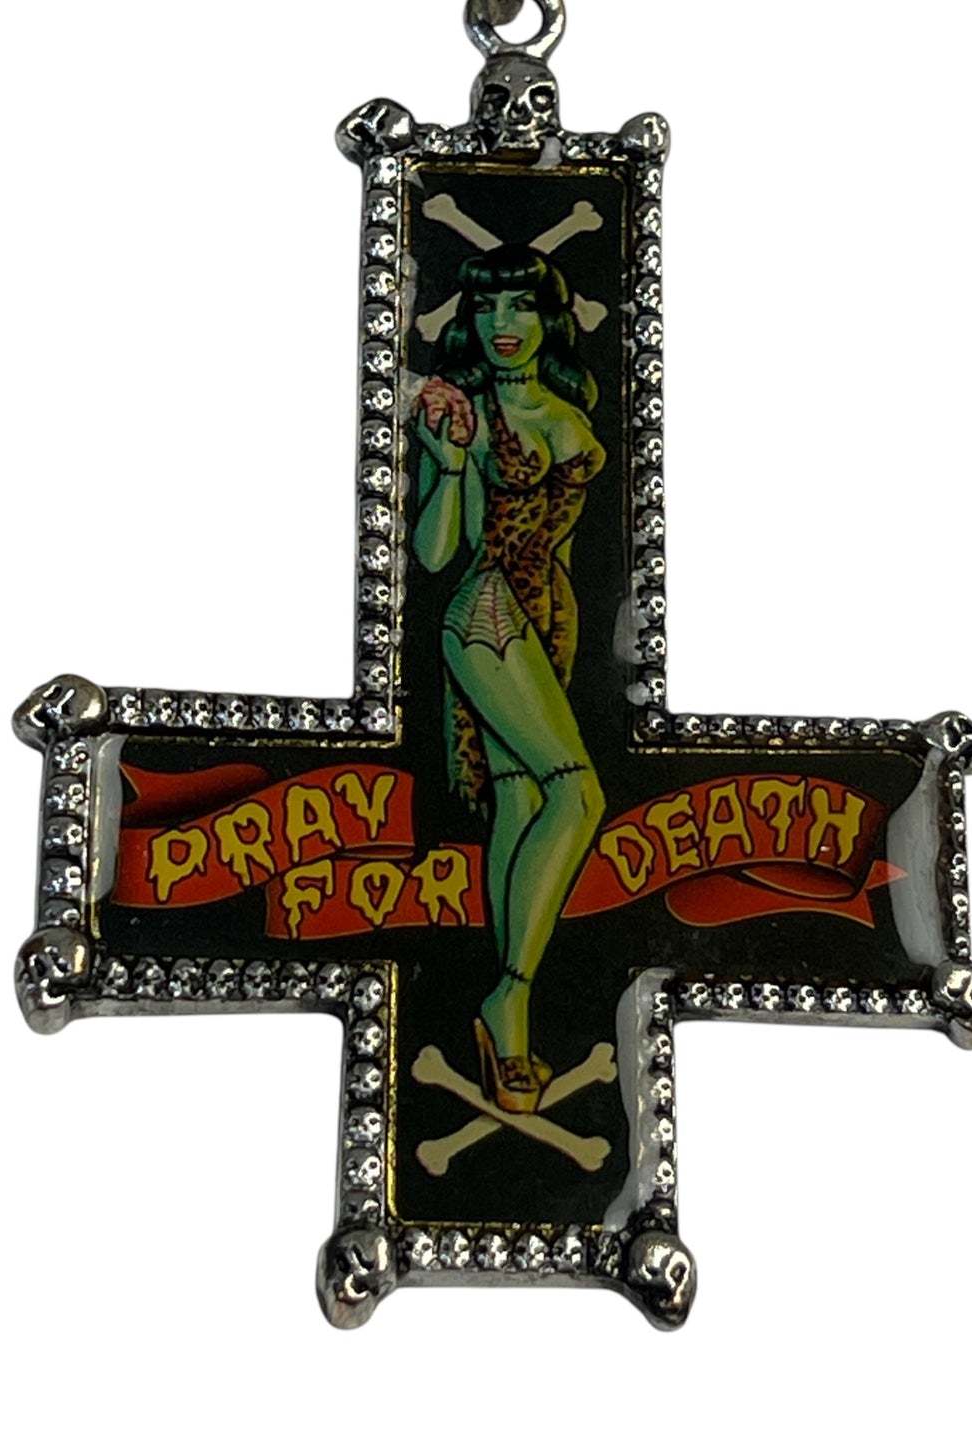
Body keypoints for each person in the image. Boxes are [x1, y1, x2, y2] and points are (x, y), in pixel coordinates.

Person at [413, 243, 606, 1114]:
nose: (501, 324)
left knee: (523, 803)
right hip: (486, 615)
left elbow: (564, 537)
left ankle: (509, 1037)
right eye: (486, 307)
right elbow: (435, 554)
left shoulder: (569, 409)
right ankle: (509, 996)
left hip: (550, 617)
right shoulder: (463, 411)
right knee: (578, 793)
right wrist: (450, 461)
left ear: (547, 317)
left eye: (519, 305)